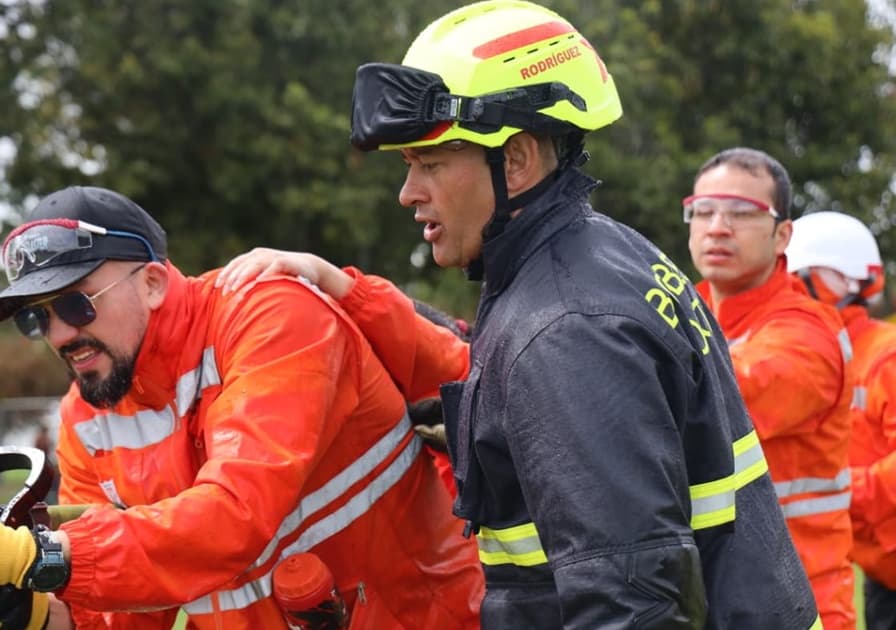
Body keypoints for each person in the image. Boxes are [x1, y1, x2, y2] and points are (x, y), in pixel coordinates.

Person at [218, 1, 820, 627]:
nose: (408, 193)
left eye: (429, 165)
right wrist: (345, 291)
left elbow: (635, 603)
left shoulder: (567, 330)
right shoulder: (598, 257)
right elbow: (505, 363)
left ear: (516, 160)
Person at [0, 185, 483, 629]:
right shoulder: (87, 418)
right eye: (37, 318)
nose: (58, 334)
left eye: (77, 304)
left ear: (155, 282)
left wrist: (45, 555)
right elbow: (125, 610)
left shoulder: (268, 313)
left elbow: (236, 519)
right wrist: (32, 611)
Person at [687, 147, 855, 629]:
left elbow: (722, 393)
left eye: (742, 212)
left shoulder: (807, 333)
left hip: (800, 606)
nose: (718, 226)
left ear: (783, 234)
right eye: (704, 210)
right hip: (718, 598)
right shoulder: (685, 310)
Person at [786, 210, 896, 629]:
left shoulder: (886, 356)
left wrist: (844, 492)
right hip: (881, 571)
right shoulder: (824, 356)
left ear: (839, 280)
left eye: (796, 281)